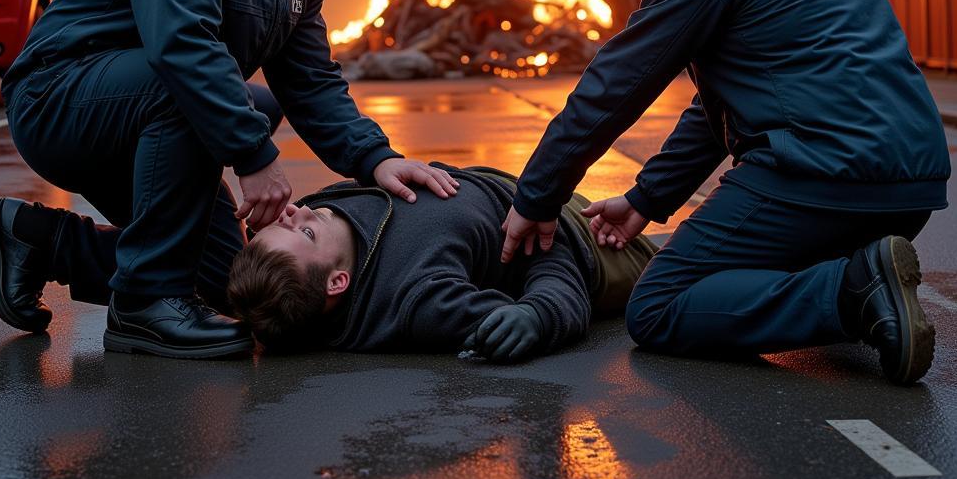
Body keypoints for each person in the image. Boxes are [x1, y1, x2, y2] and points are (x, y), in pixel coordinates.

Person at [0, 0, 457, 359]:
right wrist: (254, 156)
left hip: (146, 112)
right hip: (59, 98)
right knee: (202, 90)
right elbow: (181, 46)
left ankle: (42, 243)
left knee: (235, 282)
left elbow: (311, 83)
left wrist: (376, 158)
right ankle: (143, 306)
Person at [500, 0, 950, 385]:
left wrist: (537, 196)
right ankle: (865, 281)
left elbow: (614, 88)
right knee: (751, 278)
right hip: (911, 190)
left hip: (818, 178)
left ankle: (855, 289)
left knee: (660, 305)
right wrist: (646, 197)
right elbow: (720, 106)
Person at [225, 164, 656, 360]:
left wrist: (379, 162)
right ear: (338, 282)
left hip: (516, 186)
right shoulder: (420, 300)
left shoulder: (327, 214)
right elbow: (545, 273)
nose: (297, 211)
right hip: (580, 237)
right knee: (676, 273)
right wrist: (540, 316)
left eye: (283, 221)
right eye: (304, 232)